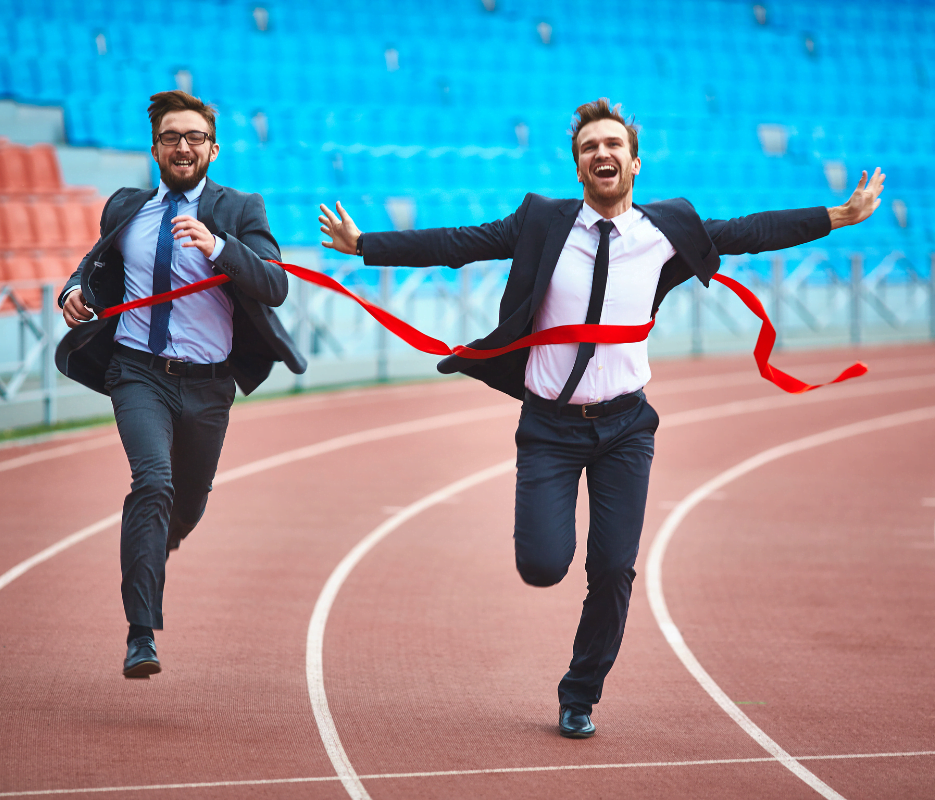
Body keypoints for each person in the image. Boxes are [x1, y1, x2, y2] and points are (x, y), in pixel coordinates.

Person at [319, 98, 883, 737]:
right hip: (550, 428)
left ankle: (579, 694)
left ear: (635, 162)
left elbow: (747, 232)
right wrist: (365, 244)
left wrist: (836, 216)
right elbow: (459, 244)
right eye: (589, 147)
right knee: (542, 566)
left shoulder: (668, 229)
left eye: (613, 145)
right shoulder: (540, 222)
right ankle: (559, 606)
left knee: (613, 567)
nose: (602, 154)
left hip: (625, 428)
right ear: (577, 166)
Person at [56, 90, 305, 678]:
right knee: (153, 482)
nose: (183, 146)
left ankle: (151, 546)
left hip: (208, 385)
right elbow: (97, 269)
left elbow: (274, 285)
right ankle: (141, 633)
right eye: (171, 137)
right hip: (136, 369)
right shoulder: (126, 207)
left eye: (195, 137)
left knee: (186, 505)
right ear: (155, 148)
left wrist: (218, 247)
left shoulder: (241, 209)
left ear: (213, 149)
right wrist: (75, 294)